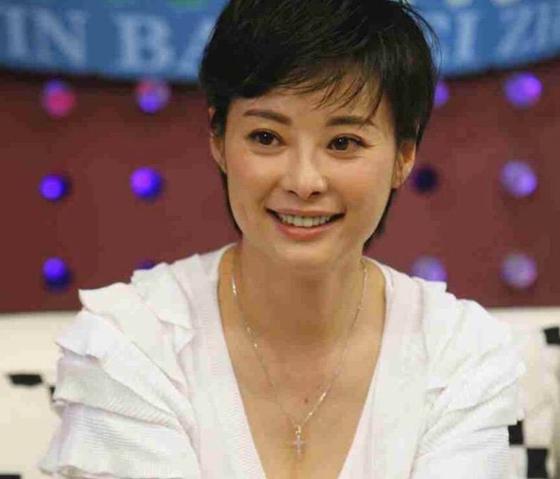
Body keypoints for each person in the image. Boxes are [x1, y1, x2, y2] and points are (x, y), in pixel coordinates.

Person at [38, 0, 526, 478]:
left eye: (343, 143)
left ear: (404, 156)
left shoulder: (458, 355)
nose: (303, 181)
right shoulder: (134, 344)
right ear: (218, 139)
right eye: (267, 138)